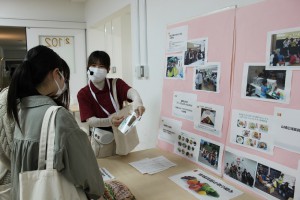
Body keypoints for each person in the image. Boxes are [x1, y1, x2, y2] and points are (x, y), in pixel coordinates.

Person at [7, 45, 104, 200]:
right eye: (62, 75)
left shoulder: (20, 111)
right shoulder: (58, 117)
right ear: (56, 73)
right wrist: (98, 191)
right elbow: (87, 175)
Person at [77, 50, 145, 158]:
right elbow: (91, 121)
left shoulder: (116, 84)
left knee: (126, 165)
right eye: (93, 65)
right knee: (105, 168)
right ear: (88, 68)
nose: (97, 69)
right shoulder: (83, 93)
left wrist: (138, 102)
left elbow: (131, 92)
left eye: (101, 66)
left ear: (108, 69)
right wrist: (110, 121)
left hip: (122, 135)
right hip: (102, 140)